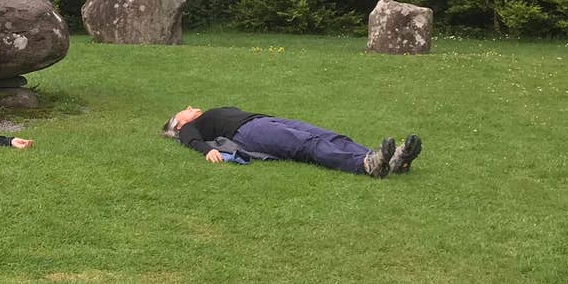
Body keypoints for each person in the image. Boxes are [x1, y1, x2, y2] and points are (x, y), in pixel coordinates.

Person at [162, 106, 422, 178]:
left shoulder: (200, 117)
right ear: (179, 123)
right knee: (307, 145)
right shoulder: (189, 128)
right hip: (249, 132)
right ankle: (365, 165)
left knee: (329, 136)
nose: (188, 107)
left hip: (266, 121)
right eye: (183, 111)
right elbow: (190, 140)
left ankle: (388, 159)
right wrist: (207, 152)